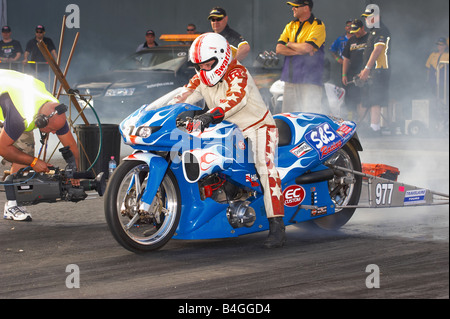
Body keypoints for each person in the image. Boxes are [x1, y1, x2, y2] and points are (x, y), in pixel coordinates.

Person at [172, 33, 286, 248]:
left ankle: (277, 225)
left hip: (257, 126)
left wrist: (208, 115)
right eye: (199, 65)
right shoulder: (201, 76)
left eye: (207, 63)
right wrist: (162, 111)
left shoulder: (238, 72)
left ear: (221, 56)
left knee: (265, 167)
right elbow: (183, 95)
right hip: (224, 129)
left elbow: (235, 100)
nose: (203, 68)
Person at [0, 70, 79, 221]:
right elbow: (2, 148)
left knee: (25, 149)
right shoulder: (20, 117)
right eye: (52, 130)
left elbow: (71, 145)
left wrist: (74, 172)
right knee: (14, 149)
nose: (55, 133)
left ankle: (12, 205)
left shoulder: (55, 110)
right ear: (41, 121)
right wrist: (34, 162)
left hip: (9, 94)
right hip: (7, 98)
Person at [276, 0, 326, 114]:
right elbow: (279, 48)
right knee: (288, 117)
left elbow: (307, 48)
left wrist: (289, 44)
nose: (293, 8)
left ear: (306, 8)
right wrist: (299, 51)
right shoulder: (290, 25)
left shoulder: (318, 24)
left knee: (310, 117)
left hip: (310, 80)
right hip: (290, 79)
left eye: (296, 6)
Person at [358, 5, 391, 136]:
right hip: (372, 70)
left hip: (379, 69)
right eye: (365, 17)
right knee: (369, 97)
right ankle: (371, 126)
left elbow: (377, 50)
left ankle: (375, 127)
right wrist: (365, 70)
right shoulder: (373, 31)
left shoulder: (382, 30)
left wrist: (367, 68)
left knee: (376, 97)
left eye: (368, 17)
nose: (366, 19)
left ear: (376, 17)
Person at [342, 19, 368, 121]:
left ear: (362, 28)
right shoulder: (351, 40)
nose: (355, 33)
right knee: (354, 99)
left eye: (357, 30)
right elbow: (346, 59)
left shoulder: (369, 38)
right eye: (353, 31)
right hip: (352, 75)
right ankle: (357, 123)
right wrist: (344, 74)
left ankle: (365, 122)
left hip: (365, 73)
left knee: (364, 99)